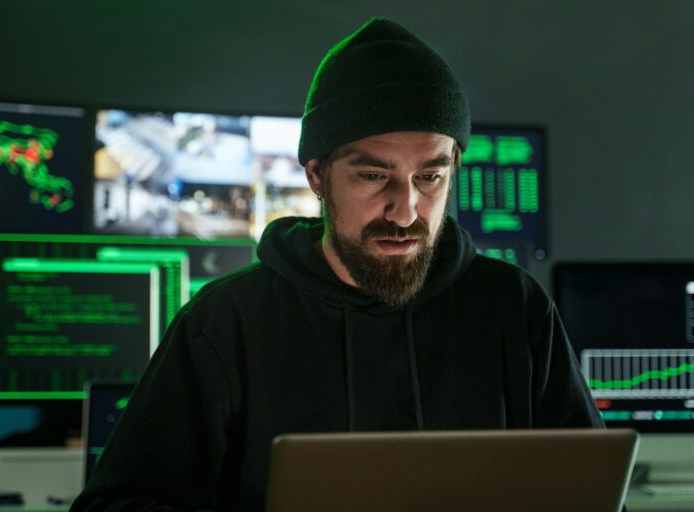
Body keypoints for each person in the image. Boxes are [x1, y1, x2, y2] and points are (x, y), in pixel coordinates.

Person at [71, 16, 602, 512]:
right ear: (317, 177)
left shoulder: (513, 307)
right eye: (374, 177)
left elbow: (594, 493)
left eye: (430, 177)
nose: (406, 210)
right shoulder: (226, 323)